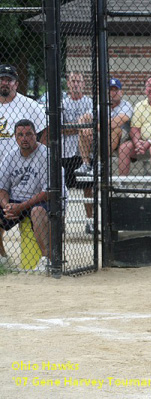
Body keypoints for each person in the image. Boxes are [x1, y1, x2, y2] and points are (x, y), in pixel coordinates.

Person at [0, 120, 51, 271]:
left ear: (36, 135)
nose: (24, 138)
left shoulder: (45, 155)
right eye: (20, 135)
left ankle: (47, 260)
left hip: (39, 199)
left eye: (29, 134)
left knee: (37, 212)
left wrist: (21, 207)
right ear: (15, 138)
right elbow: (2, 188)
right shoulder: (10, 156)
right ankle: (3, 258)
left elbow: (47, 193)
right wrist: (6, 206)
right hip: (16, 201)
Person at [74, 77, 133, 176]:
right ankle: (86, 164)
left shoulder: (126, 105)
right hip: (104, 136)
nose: (113, 93)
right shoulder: (102, 106)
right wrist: (85, 129)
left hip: (122, 139)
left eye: (116, 90)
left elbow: (116, 123)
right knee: (83, 130)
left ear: (121, 92)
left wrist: (93, 127)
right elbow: (83, 118)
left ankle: (100, 164)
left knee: (116, 129)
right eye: (110, 90)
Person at [61, 72, 94, 234]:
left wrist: (72, 127)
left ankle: (90, 222)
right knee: (62, 189)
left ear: (83, 84)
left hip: (84, 153)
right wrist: (81, 127)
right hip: (65, 152)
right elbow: (61, 129)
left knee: (88, 189)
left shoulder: (89, 102)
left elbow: (92, 125)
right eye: (73, 81)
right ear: (68, 83)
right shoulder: (62, 103)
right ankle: (60, 223)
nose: (75, 84)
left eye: (78, 81)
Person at [0, 64, 47, 156]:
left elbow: (47, 128)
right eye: (2, 79)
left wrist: (38, 154)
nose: (5, 83)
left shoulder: (28, 104)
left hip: (19, 163)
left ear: (16, 84)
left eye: (9, 80)